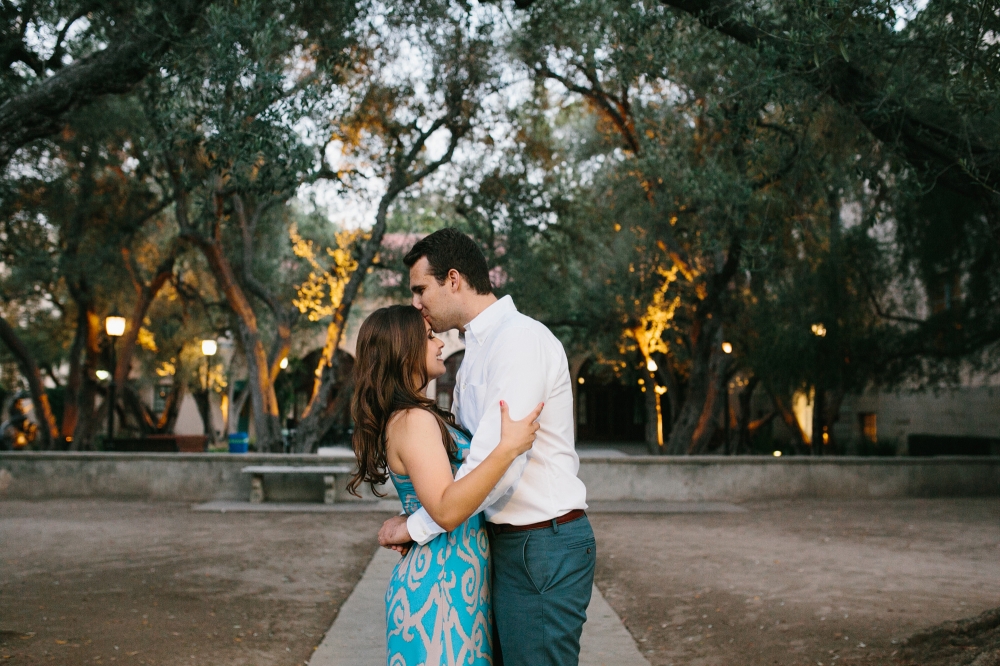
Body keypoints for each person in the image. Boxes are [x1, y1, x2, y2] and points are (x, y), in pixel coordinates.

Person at [378, 228, 595, 666]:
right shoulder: (475, 349)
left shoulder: (518, 341)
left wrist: (420, 527)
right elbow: (465, 463)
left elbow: (501, 466)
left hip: (541, 544)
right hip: (504, 543)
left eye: (421, 290)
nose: (416, 304)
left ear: (453, 279)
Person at [348, 304, 543, 666]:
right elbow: (447, 509)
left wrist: (407, 525)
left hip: (458, 581)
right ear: (403, 351)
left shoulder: (418, 416)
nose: (439, 343)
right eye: (427, 337)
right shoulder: (412, 420)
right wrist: (508, 449)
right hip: (438, 589)